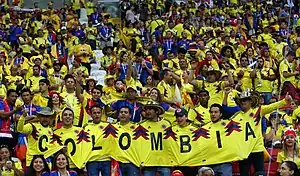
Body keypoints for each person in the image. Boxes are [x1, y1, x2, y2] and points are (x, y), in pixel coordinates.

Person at [141, 101, 171, 176]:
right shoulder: (141, 126)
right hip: (148, 163)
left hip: (164, 162)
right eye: (146, 109)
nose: (147, 112)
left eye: (150, 109)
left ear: (157, 111)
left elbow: (171, 143)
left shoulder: (167, 124)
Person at [84, 105, 111, 176]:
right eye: (94, 113)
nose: (97, 115)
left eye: (98, 113)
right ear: (91, 114)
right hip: (92, 160)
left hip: (106, 159)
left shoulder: (108, 126)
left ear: (102, 113)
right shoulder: (86, 127)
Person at [116, 106, 139, 176]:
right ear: (118, 115)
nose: (123, 114)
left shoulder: (137, 128)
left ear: (130, 115)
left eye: (126, 112)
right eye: (121, 112)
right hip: (118, 162)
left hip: (132, 162)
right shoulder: (112, 128)